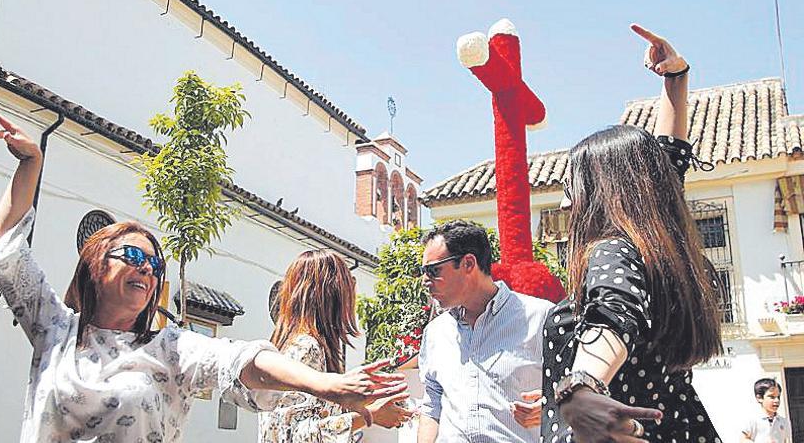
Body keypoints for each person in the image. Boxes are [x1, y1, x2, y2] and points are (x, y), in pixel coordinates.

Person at [0, 109, 407, 443]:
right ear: (96, 265)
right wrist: (31, 165)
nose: (146, 268)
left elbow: (241, 359)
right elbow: (7, 250)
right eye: (134, 256)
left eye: (155, 265)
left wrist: (330, 387)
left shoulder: (170, 347)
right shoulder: (54, 330)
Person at [539, 24, 724, 443]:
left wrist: (582, 388)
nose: (568, 204)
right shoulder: (659, 245)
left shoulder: (612, 251)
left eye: (573, 187)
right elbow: (668, 164)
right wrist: (675, 80)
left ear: (604, 194)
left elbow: (612, 312)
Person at [416, 220, 553, 443]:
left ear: (469, 263)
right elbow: (432, 405)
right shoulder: (435, 333)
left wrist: (551, 404)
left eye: (433, 270)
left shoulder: (540, 318)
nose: (425, 281)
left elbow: (577, 392)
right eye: (422, 271)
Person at [259, 249, 414, 442]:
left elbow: (306, 417)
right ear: (331, 294)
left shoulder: (295, 344)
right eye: (348, 287)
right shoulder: (306, 347)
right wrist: (370, 415)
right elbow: (288, 434)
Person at [741, 378, 791, 443]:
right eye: (772, 397)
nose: (777, 400)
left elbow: (785, 440)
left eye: (778, 397)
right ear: (759, 398)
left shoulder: (784, 422)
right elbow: (743, 439)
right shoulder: (752, 420)